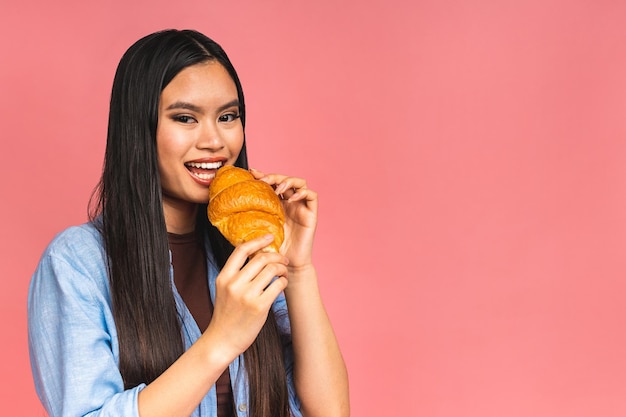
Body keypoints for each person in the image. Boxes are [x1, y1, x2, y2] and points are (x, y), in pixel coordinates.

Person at [27, 29, 349, 417]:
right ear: (139, 128)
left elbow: (328, 411)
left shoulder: (248, 252)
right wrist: (221, 340)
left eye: (228, 116)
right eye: (185, 118)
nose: (214, 141)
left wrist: (297, 269)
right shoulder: (78, 263)